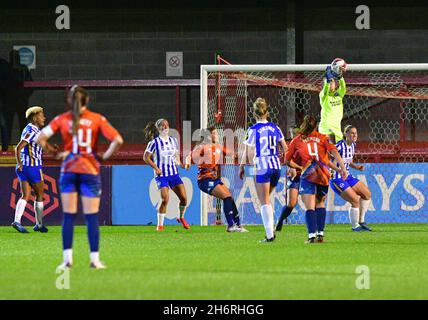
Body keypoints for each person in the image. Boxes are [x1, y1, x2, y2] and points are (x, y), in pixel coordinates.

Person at [37, 85, 123, 270]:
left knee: (68, 216)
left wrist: (54, 152)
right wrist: (105, 156)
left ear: (69, 100)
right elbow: (118, 140)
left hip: (68, 170)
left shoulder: (62, 119)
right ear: (87, 101)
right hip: (90, 171)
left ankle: (67, 260)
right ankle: (94, 260)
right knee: (91, 217)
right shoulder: (97, 119)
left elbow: (40, 139)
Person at [285, 115, 348, 243]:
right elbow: (334, 152)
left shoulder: (297, 140)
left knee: (309, 207)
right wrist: (342, 168)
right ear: (316, 126)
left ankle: (311, 236)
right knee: (320, 203)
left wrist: (298, 166)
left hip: (308, 174)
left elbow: (286, 160)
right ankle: (320, 235)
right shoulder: (323, 138)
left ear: (304, 124)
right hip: (323, 174)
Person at [239, 97, 288, 243]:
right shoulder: (275, 127)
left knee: (264, 201)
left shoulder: (253, 130)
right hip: (276, 166)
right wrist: (289, 165)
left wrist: (243, 166)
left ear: (254, 115)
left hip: (262, 167)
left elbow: (248, 153)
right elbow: (286, 148)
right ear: (267, 113)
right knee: (266, 199)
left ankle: (269, 236)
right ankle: (270, 229)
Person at [186, 126, 248, 232]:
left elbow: (231, 153)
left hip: (214, 179)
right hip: (204, 180)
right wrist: (187, 163)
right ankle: (230, 226)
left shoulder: (218, 147)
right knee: (226, 197)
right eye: (214, 133)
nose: (217, 135)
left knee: (230, 198)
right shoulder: (202, 147)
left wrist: (241, 150)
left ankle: (238, 225)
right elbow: (189, 156)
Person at [12, 106, 58, 233]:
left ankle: (17, 221)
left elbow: (37, 146)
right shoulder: (33, 130)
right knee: (40, 195)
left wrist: (20, 164)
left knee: (25, 195)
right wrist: (19, 162)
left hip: (24, 168)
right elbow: (18, 147)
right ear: (34, 117)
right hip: (33, 168)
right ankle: (39, 224)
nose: (44, 117)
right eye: (41, 115)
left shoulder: (31, 130)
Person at [143, 119, 189, 231]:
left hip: (174, 174)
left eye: (167, 125)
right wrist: (156, 168)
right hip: (162, 175)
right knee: (165, 199)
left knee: (184, 199)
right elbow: (146, 157)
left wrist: (181, 165)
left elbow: (176, 156)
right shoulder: (154, 143)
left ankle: (181, 217)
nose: (165, 127)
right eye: (162, 125)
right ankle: (160, 226)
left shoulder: (173, 140)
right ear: (158, 128)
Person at [330, 125, 372, 232]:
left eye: (356, 133)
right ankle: (355, 226)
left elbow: (347, 160)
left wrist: (357, 167)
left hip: (347, 176)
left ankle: (361, 221)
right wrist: (335, 170)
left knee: (367, 194)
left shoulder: (353, 145)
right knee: (355, 200)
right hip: (337, 178)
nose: (354, 135)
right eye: (352, 133)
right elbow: (330, 162)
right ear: (345, 134)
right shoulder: (338, 146)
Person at [275, 126, 300, 232]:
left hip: (307, 176)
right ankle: (280, 221)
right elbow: (286, 160)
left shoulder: (306, 145)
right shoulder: (289, 145)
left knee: (315, 202)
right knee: (292, 203)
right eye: (291, 133)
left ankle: (316, 228)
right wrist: (292, 168)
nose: (292, 135)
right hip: (295, 177)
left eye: (294, 133)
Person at [318, 59, 347, 144]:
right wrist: (328, 80)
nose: (332, 83)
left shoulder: (339, 95)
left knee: (339, 153)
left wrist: (340, 76)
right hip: (325, 129)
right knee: (328, 152)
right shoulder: (324, 96)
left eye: (333, 82)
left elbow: (343, 88)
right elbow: (326, 89)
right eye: (330, 82)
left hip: (337, 129)